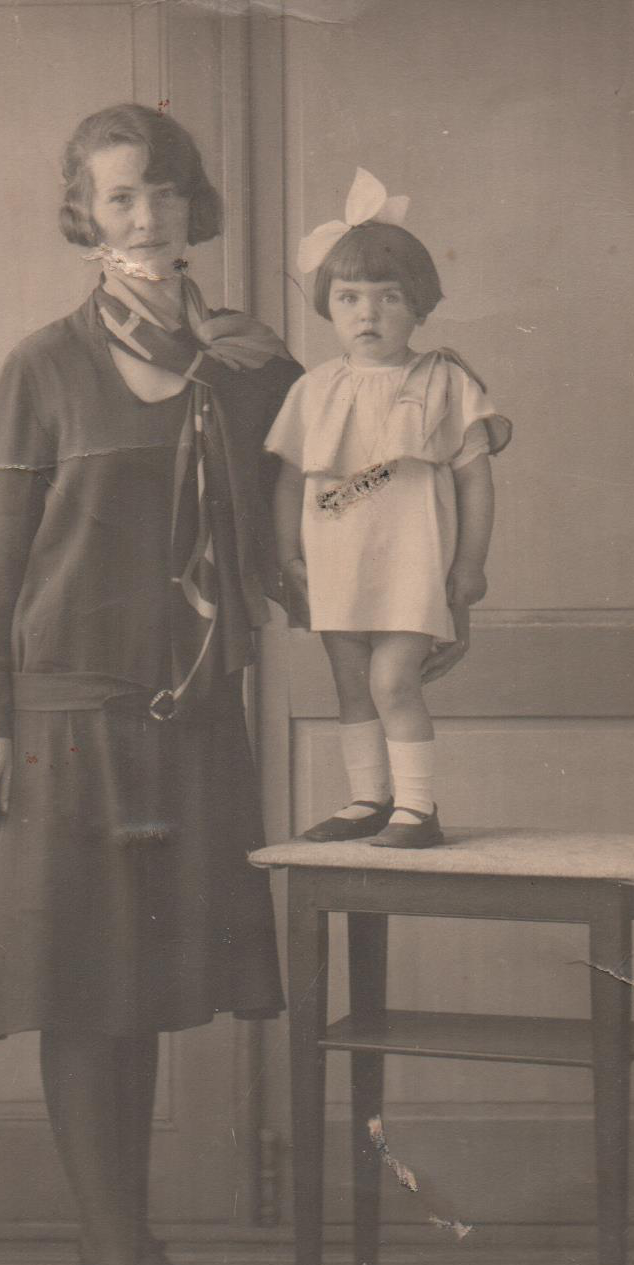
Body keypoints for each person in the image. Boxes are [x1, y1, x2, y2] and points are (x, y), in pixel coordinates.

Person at [0, 103, 301, 1265]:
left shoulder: (244, 364)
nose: (146, 216)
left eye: (164, 191)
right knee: (84, 997)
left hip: (189, 721)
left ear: (194, 204)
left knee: (138, 993)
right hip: (62, 723)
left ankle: (135, 1253)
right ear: (85, 217)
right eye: (119, 197)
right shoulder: (43, 365)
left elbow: (304, 510)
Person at [267, 169, 511, 849]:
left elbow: (475, 482)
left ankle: (418, 807)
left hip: (411, 563)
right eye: (348, 298)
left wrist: (470, 565)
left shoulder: (444, 381)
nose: (367, 315)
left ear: (419, 307)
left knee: (394, 680)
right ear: (328, 306)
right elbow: (288, 482)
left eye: (388, 297)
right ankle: (368, 798)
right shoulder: (313, 390)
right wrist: (288, 553)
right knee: (351, 684)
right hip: (335, 561)